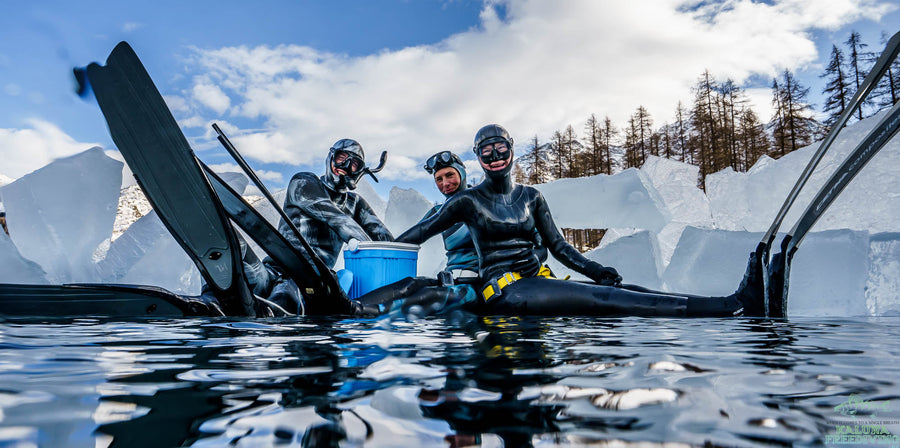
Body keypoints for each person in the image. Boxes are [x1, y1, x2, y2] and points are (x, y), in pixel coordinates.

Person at [395, 124, 767, 317]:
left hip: (535, 281)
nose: (494, 156)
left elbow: (558, 246)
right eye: (486, 151)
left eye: (500, 148)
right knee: (604, 300)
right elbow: (419, 233)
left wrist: (595, 268)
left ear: (511, 152)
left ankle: (729, 302)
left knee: (628, 290)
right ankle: (732, 307)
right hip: (507, 292)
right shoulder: (468, 201)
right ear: (478, 158)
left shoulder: (531, 198)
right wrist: (374, 252)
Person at [242, 138, 394, 315]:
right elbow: (336, 218)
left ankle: (273, 311)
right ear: (330, 157)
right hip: (275, 270)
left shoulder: (355, 203)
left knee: (287, 297)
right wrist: (364, 245)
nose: (344, 165)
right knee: (244, 275)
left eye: (353, 164)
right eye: (341, 158)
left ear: (359, 171)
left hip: (312, 282)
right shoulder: (304, 182)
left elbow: (387, 240)